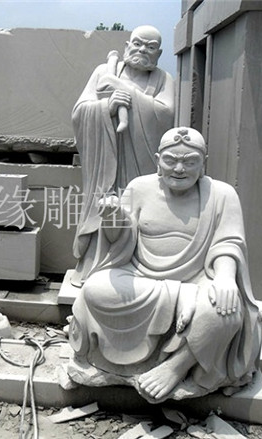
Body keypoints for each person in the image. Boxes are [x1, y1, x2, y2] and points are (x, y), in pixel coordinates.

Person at [66, 127, 262, 402]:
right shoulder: (139, 188)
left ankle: (176, 367)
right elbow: (120, 241)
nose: (179, 169)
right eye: (171, 160)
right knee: (95, 289)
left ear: (203, 163)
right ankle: (180, 300)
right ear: (158, 160)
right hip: (141, 276)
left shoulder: (222, 195)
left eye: (190, 162)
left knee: (226, 310)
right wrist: (112, 217)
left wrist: (225, 278)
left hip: (198, 278)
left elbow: (228, 243)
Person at [71, 25, 175, 286]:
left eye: (150, 47)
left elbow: (165, 114)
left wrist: (126, 92)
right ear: (128, 45)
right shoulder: (103, 71)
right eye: (137, 43)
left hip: (141, 163)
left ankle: (137, 267)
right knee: (105, 207)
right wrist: (107, 106)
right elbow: (79, 112)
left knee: (138, 210)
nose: (142, 50)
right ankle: (95, 267)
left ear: (159, 53)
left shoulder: (163, 79)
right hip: (105, 159)